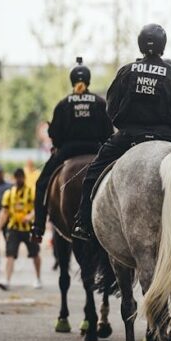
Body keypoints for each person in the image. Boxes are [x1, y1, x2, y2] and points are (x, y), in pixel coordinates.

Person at [72, 23, 171, 241]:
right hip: (165, 137)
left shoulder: (127, 71)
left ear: (140, 44)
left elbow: (111, 108)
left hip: (128, 137)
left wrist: (125, 124)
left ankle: (83, 223)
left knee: (94, 173)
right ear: (163, 46)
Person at [31, 58, 113, 237]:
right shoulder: (100, 103)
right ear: (89, 80)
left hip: (67, 151)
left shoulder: (63, 104)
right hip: (96, 151)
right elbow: (108, 132)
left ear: (72, 80)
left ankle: (38, 227)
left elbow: (54, 135)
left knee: (42, 183)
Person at [0, 168, 40, 290]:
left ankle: (38, 278)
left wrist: (30, 216)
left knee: (35, 253)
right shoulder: (9, 194)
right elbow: (4, 212)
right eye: (17, 177)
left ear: (24, 178)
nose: (19, 179)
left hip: (28, 228)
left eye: (21, 177)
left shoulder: (31, 192)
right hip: (14, 228)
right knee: (10, 254)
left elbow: (37, 208)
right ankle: (6, 280)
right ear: (14, 178)